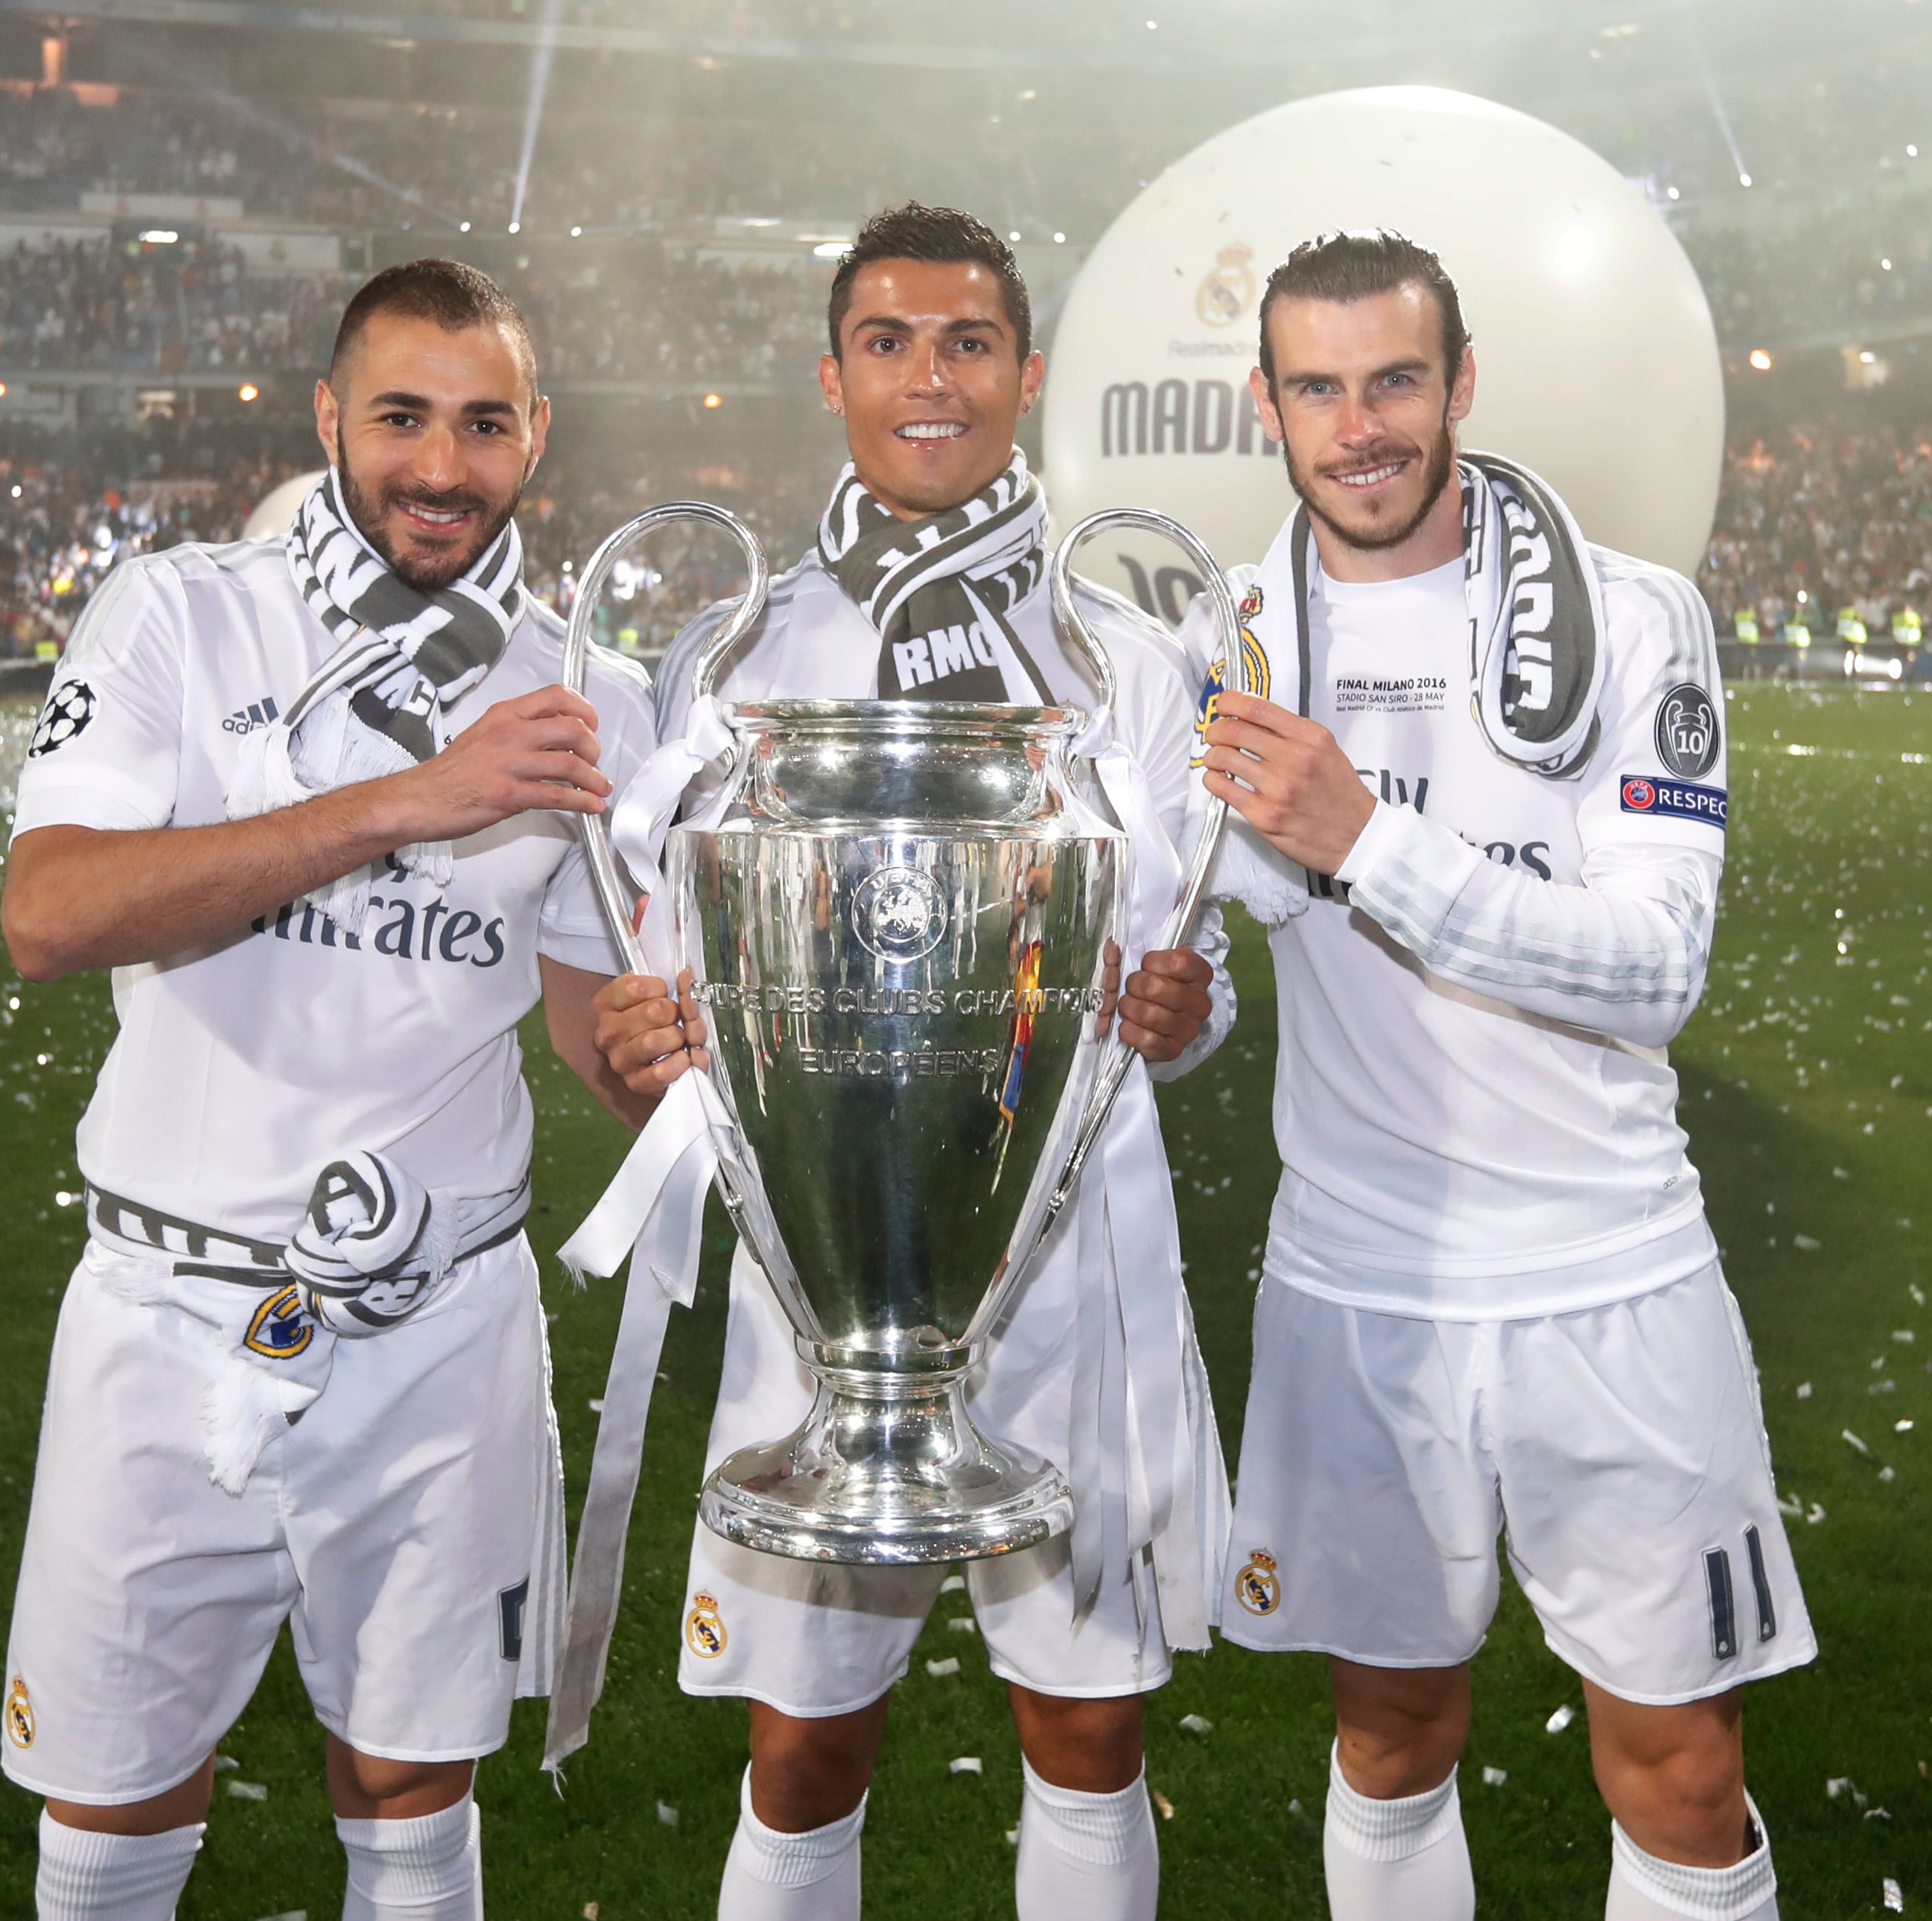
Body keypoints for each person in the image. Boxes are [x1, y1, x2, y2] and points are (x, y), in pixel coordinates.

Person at [584, 204, 1232, 1921]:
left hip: (1062, 1246)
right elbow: (665, 980)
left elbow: (1194, 964)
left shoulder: (1127, 659)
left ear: (1021, 374)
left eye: (963, 344)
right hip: (820, 1273)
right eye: (887, 341)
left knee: (1084, 1725)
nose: (925, 377)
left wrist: (1189, 1006)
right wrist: (635, 1032)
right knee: (800, 1746)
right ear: (831, 373)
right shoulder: (736, 654)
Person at [0, 259, 656, 1921]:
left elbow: (591, 1023)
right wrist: (405, 799)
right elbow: (51, 911)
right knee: (115, 1785)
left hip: (442, 1319)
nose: (440, 464)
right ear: (327, 419)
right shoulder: (179, 607)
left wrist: (687, 1066)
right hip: (170, 1297)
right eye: (402, 417)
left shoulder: (592, 689)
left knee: (412, 1779)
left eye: (483, 423)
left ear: (535, 437)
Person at [1187, 230, 1809, 1921]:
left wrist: (1362, 839)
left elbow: (1648, 967)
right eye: (1314, 387)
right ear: (1265, 405)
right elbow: (1206, 938)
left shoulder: (1629, 615)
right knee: (1386, 1735)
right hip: (1354, 1276)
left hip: (1607, 1270)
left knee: (1677, 1767)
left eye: (1392, 379)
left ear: (1457, 383)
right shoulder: (1225, 634)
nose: (1357, 423)